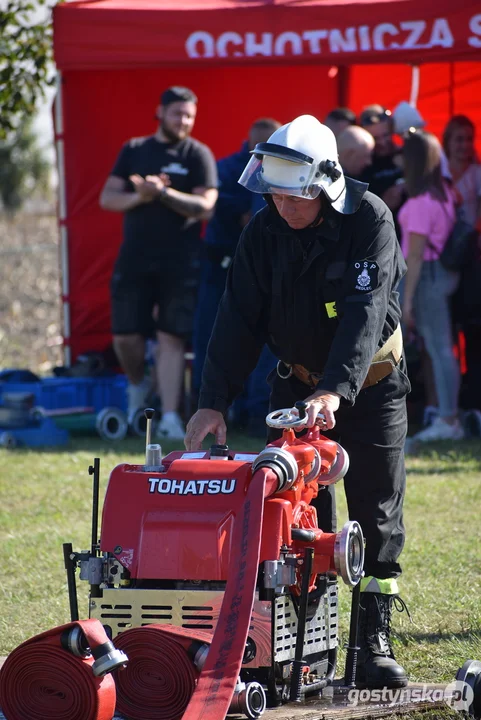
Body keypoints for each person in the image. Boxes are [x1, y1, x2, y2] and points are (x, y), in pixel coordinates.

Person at [186, 115, 411, 689]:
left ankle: (372, 641)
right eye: (275, 193)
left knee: (374, 511)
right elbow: (236, 318)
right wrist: (212, 401)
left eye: (295, 195)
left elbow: (364, 319)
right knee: (291, 513)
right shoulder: (263, 233)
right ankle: (303, 643)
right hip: (295, 388)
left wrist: (335, 389)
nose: (283, 206)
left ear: (325, 184)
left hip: (371, 385)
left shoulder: (370, 222)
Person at [99, 86, 218, 439]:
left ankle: (168, 416)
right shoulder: (135, 149)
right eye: (177, 113)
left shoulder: (198, 154)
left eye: (189, 116)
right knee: (125, 337)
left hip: (180, 262)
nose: (183, 121)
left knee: (171, 338)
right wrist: (140, 195)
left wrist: (162, 193)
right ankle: (139, 385)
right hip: (134, 260)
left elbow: (206, 206)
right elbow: (108, 198)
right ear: (160, 112)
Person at [193, 118, 281, 437]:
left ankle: (258, 411)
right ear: (249, 143)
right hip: (222, 265)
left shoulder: (280, 170)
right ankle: (212, 408)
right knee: (216, 336)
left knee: (267, 342)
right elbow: (226, 207)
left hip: (264, 269)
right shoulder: (229, 168)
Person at [399, 131, 463, 442]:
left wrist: (406, 301)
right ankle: (446, 416)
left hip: (427, 276)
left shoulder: (422, 201)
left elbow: (414, 254)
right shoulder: (445, 192)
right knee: (441, 349)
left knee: (439, 350)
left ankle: (448, 419)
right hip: (440, 275)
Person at [443, 115, 481, 412]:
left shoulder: (477, 174)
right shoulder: (438, 172)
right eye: (458, 139)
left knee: (470, 330)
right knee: (443, 333)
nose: (464, 146)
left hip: (469, 262)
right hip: (439, 259)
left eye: (469, 139)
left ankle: (470, 401)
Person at [359, 105, 405, 215]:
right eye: (375, 139)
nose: (383, 142)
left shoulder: (405, 154)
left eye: (386, 135)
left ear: (392, 130)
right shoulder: (363, 164)